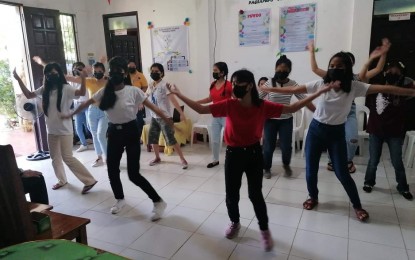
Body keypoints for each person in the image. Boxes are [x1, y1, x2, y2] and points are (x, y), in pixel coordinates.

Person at [168, 69, 334, 251]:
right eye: (233, 84)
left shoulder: (262, 105)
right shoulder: (229, 104)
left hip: (254, 154)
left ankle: (264, 230)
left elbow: (292, 108)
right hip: (233, 154)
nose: (233, 88)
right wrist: (178, 94)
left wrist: (317, 93)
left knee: (255, 195)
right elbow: (201, 108)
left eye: (237, 84)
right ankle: (235, 222)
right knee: (232, 195)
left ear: (249, 86)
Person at [261, 51, 415, 221]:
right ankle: (313, 197)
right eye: (332, 66)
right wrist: (269, 88)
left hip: (336, 133)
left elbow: (385, 88)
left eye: (339, 66)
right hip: (316, 131)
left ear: (347, 68)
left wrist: (408, 92)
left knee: (342, 173)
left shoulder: (355, 86)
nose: (334, 69)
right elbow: (295, 89)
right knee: (311, 171)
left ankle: (357, 205)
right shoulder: (321, 83)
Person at [65, 56, 168, 219]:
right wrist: (71, 114)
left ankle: (158, 201)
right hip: (114, 132)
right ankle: (120, 199)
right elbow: (86, 103)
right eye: (112, 72)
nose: (114, 75)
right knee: (112, 169)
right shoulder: (105, 91)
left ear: (124, 73)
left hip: (131, 131)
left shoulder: (133, 91)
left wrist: (168, 119)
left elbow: (153, 107)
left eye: (118, 72)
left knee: (133, 174)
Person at [308, 39, 390, 173]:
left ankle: (348, 161)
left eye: (346, 62)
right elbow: (315, 69)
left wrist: (383, 54)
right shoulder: (331, 75)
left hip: (350, 111)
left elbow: (378, 69)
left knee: (352, 139)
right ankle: (331, 161)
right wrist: (311, 52)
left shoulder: (356, 78)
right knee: (331, 137)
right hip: (333, 113)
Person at [13, 63, 98, 193]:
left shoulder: (66, 88)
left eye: (54, 73)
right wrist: (18, 80)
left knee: (67, 157)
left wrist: (83, 79)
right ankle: (62, 180)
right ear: (45, 76)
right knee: (55, 158)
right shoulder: (44, 89)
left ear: (58, 74)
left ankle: (89, 180)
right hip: (51, 130)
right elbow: (29, 95)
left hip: (65, 130)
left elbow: (81, 92)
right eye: (48, 74)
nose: (51, 76)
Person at [363, 61, 414, 200]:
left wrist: (403, 79)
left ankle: (403, 187)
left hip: (395, 132)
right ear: (384, 72)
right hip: (375, 130)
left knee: (397, 161)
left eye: (397, 72)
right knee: (373, 160)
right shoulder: (375, 88)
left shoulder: (404, 89)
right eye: (390, 70)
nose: (393, 73)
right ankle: (369, 182)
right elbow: (363, 79)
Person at [259, 55, 315, 179]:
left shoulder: (293, 84)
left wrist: (316, 112)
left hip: (286, 120)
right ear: (275, 69)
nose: (281, 72)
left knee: (286, 146)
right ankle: (266, 168)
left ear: (289, 71)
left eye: (285, 70)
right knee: (268, 146)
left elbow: (303, 99)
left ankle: (286, 165)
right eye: (279, 70)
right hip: (270, 120)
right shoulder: (269, 83)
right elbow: (257, 99)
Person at [66, 62, 108, 167]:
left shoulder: (108, 81)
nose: (97, 73)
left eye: (100, 71)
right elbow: (72, 79)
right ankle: (99, 157)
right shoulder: (89, 81)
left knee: (100, 135)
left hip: (104, 111)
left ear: (103, 71)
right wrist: (56, 74)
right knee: (94, 135)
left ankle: (108, 158)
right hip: (92, 110)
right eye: (95, 71)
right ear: (92, 72)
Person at [147, 63, 188, 169]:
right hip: (154, 117)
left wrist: (181, 113)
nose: (154, 73)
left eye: (156, 71)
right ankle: (157, 157)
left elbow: (173, 100)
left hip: (165, 117)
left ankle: (182, 159)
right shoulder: (151, 85)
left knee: (171, 139)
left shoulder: (165, 85)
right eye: (152, 71)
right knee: (153, 138)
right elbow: (146, 96)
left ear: (162, 73)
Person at [196, 62, 232, 168]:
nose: (213, 72)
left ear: (222, 72)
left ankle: (232, 160)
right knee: (214, 140)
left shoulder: (229, 85)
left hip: (227, 116)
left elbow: (236, 98)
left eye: (215, 70)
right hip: (215, 116)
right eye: (213, 70)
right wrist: (196, 102)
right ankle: (215, 160)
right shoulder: (212, 85)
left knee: (230, 139)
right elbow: (209, 99)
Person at [126, 60, 148, 139]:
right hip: (127, 101)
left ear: (135, 67)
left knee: (139, 119)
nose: (131, 68)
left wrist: (139, 94)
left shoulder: (140, 75)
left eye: (133, 67)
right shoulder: (125, 76)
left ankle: (140, 137)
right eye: (130, 67)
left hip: (138, 100)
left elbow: (145, 87)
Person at [71, 61, 90, 152]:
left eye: (80, 68)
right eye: (76, 68)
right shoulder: (72, 81)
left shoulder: (87, 79)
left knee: (89, 126)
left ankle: (96, 140)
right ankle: (84, 144)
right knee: (78, 126)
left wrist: (84, 72)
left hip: (87, 104)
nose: (77, 70)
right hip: (77, 105)